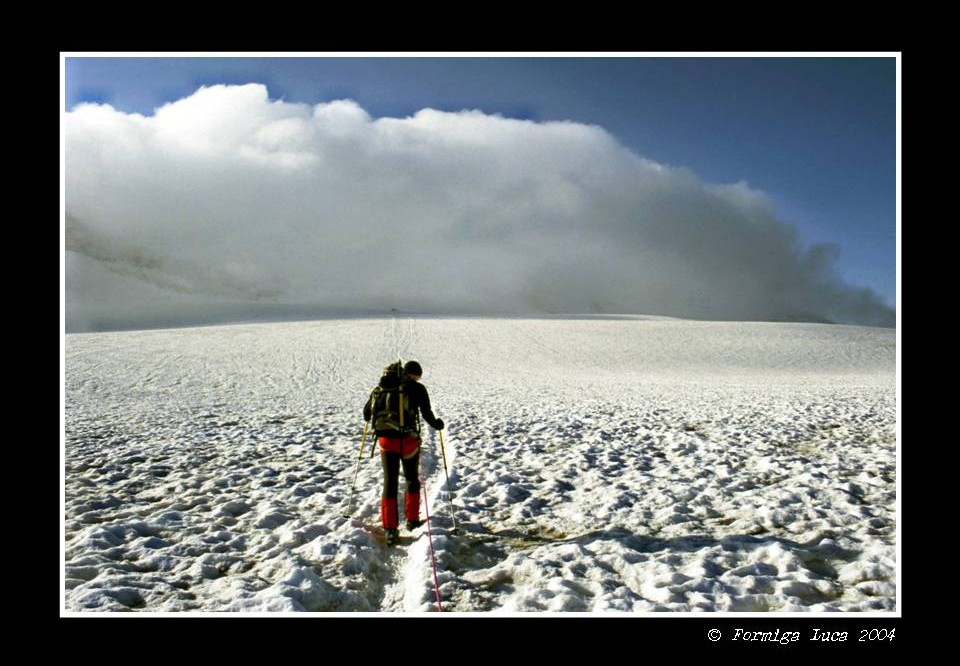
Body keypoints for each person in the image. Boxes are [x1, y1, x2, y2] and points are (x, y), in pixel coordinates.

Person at [363, 360, 444, 545]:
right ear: (413, 374)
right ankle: (412, 519)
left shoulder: (380, 388)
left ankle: (390, 529)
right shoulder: (417, 389)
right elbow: (426, 413)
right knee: (411, 478)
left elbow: (367, 415)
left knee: (389, 481)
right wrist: (437, 424)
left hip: (386, 442)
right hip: (408, 441)